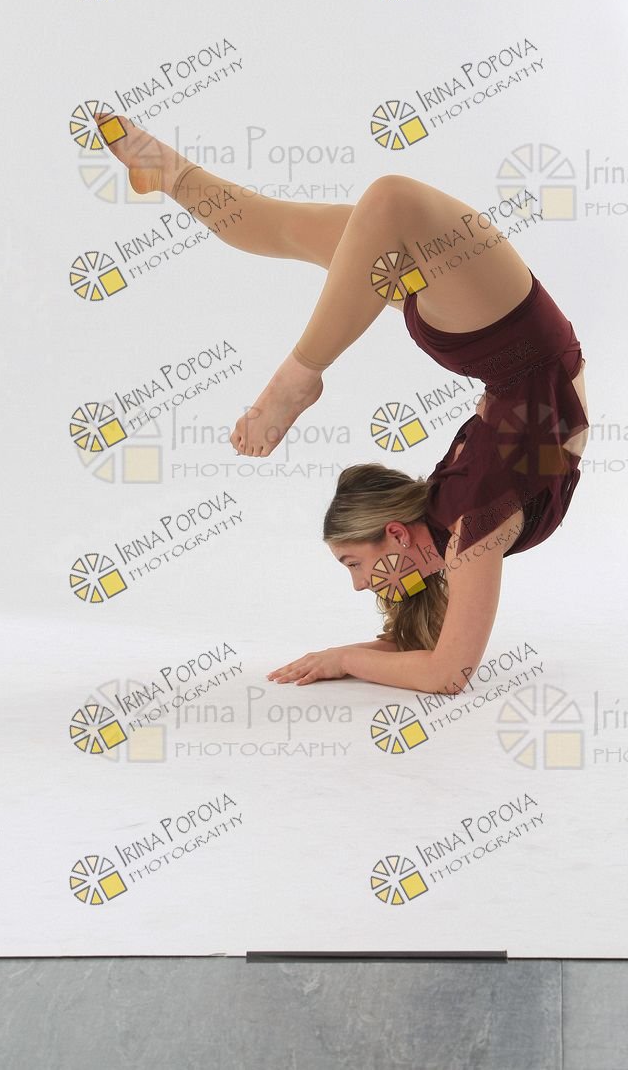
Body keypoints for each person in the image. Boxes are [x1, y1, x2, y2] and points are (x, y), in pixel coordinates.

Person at [95, 110, 589, 697]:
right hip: (516, 341)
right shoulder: (472, 529)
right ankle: (300, 376)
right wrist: (346, 660)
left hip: (489, 342)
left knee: (285, 226)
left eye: (351, 565)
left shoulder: (449, 522)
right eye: (353, 563)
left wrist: (344, 655)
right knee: (391, 201)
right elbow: (447, 673)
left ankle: (169, 173)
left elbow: (427, 654)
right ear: (397, 534)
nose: (359, 586)